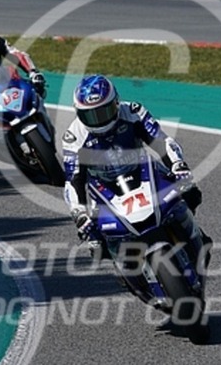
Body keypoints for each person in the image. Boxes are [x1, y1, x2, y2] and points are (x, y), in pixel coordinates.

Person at [62, 74, 210, 257]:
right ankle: (123, 264)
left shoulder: (133, 112)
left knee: (190, 191)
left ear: (116, 102)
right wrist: (79, 212)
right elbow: (73, 180)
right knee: (96, 245)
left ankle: (192, 230)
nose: (99, 120)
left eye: (104, 112)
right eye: (90, 115)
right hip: (102, 186)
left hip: (142, 170)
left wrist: (178, 165)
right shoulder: (73, 137)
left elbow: (162, 141)